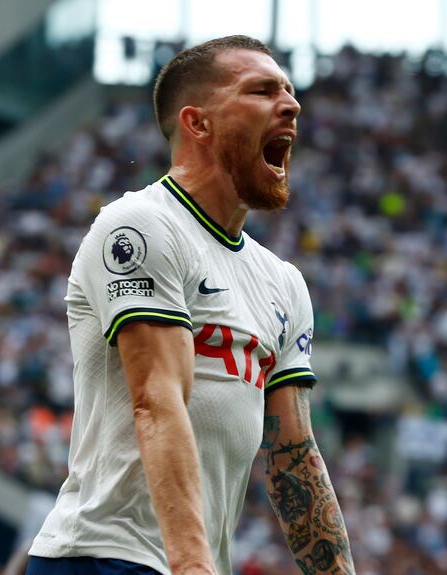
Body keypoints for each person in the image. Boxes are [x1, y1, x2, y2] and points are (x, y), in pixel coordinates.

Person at [26, 35, 354, 575]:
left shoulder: (284, 282)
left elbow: (293, 454)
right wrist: (191, 566)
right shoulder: (140, 226)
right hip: (105, 557)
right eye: (262, 90)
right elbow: (157, 401)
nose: (292, 104)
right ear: (197, 123)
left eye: (290, 91)